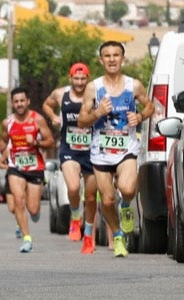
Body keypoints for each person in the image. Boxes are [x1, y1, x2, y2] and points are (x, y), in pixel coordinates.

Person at [80, 40, 155, 258]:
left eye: (116, 55)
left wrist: (139, 116)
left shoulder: (134, 86)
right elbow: (82, 121)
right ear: (101, 60)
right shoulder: (93, 88)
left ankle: (127, 206)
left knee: (128, 189)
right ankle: (118, 235)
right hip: (101, 153)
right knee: (107, 200)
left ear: (123, 59)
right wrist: (97, 113)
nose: (112, 59)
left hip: (126, 149)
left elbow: (150, 106)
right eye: (107, 55)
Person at [43, 62, 98, 254]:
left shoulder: (95, 94)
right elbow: (47, 104)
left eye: (83, 79)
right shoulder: (61, 94)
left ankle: (88, 234)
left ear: (88, 79)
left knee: (91, 197)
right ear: (70, 78)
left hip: (91, 150)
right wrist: (53, 117)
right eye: (76, 78)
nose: (80, 82)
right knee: (73, 187)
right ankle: (75, 216)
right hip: (69, 149)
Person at [0, 87, 56, 252]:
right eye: (16, 101)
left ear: (28, 101)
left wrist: (36, 142)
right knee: (18, 199)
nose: (19, 104)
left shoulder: (38, 120)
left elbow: (50, 141)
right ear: (12, 103)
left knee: (33, 209)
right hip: (16, 167)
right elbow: (3, 140)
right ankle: (27, 239)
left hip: (35, 167)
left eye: (22, 101)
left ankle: (35, 213)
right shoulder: (7, 123)